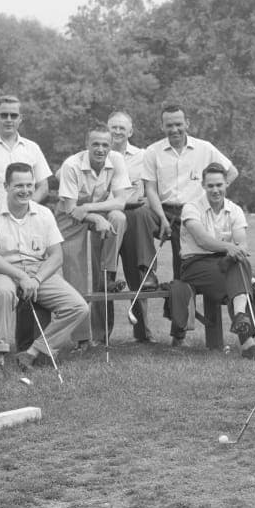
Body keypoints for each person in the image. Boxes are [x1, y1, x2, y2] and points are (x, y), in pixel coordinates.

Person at [0, 163, 90, 378]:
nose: (25, 190)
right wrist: (20, 276)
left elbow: (57, 256)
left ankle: (32, 352)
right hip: (3, 271)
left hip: (38, 272)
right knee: (4, 292)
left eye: (29, 185)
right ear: (6, 186)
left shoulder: (44, 213)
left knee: (78, 307)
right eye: (19, 185)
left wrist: (36, 279)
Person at [0, 95, 53, 354]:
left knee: (28, 281)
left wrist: (28, 205)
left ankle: (26, 343)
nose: (8, 119)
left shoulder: (32, 148)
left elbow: (43, 185)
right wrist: (0, 207)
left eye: (13, 115)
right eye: (3, 114)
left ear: (21, 118)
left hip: (27, 223)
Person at [166, 163, 255, 357]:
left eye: (219, 185)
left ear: (227, 184)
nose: (215, 190)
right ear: (203, 185)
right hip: (195, 264)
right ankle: (247, 341)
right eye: (210, 186)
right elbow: (202, 240)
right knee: (240, 279)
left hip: (224, 261)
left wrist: (235, 252)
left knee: (240, 264)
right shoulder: (191, 208)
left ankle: (242, 320)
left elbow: (242, 245)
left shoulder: (234, 210)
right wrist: (230, 248)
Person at [55, 126, 133, 352]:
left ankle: (107, 274)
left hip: (92, 209)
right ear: (87, 144)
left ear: (111, 146)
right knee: (76, 276)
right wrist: (92, 217)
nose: (100, 149)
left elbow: (120, 202)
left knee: (118, 218)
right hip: (70, 218)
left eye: (105, 145)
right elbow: (71, 208)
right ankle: (81, 339)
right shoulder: (71, 165)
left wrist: (91, 209)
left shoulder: (116, 160)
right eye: (95, 144)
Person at [141, 104, 239, 281]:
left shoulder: (205, 148)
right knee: (139, 217)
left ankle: (177, 304)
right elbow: (150, 189)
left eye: (178, 124)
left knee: (183, 264)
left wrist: (214, 193)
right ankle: (146, 273)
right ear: (161, 127)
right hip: (162, 210)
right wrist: (162, 218)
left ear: (187, 123)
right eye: (169, 125)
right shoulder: (152, 151)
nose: (174, 129)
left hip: (193, 212)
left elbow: (232, 172)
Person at [108, 110, 158, 341]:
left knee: (138, 273)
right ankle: (102, 335)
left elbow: (153, 188)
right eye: (113, 127)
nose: (117, 132)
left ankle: (143, 333)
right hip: (107, 218)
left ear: (131, 131)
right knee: (105, 277)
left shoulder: (144, 155)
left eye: (122, 128)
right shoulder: (99, 153)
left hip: (136, 219)